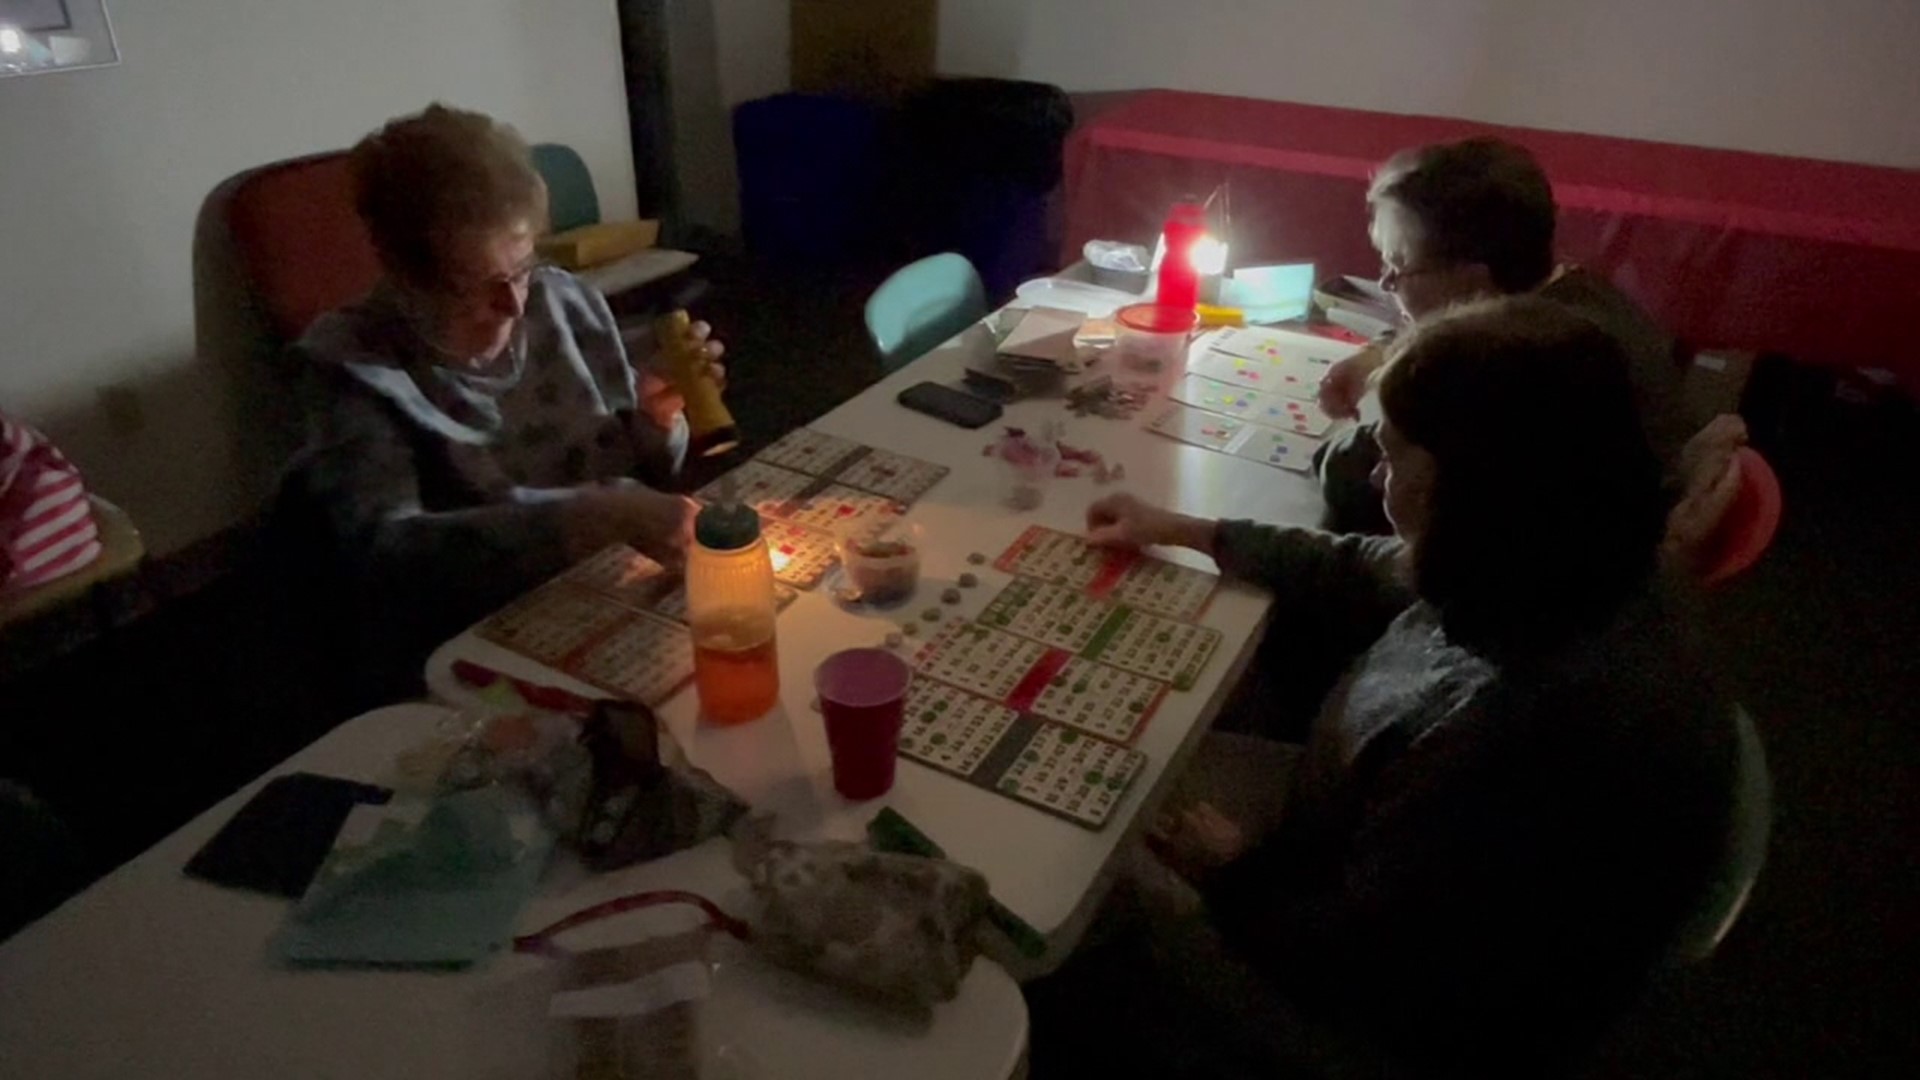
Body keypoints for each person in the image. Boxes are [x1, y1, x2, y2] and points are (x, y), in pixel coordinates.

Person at [1029, 297, 1735, 1078]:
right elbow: (1376, 564)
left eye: (1396, 457)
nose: (1374, 474)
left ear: (1470, 487)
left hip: (1375, 1018)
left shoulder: (1520, 727)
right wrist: (1188, 530)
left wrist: (1231, 870)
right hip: (1360, 853)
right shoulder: (1570, 550)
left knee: (1076, 854)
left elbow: (1360, 966)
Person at [284, 104, 724, 673]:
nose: (515, 306)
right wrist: (594, 519)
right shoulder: (354, 367)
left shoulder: (561, 301)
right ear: (404, 274)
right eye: (477, 286)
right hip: (471, 641)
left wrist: (657, 422)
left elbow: (636, 470)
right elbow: (384, 560)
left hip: (606, 595)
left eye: (521, 269)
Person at [1313, 137, 1700, 536]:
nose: (1385, 282)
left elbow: (1350, 478)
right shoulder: (1563, 290)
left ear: (1475, 278)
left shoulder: (1514, 366)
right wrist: (1375, 356)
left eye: (1399, 267)